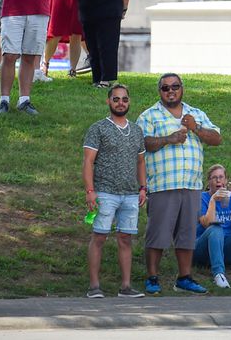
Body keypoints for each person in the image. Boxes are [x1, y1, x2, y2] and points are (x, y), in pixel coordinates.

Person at [137, 73, 222, 295]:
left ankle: (184, 278)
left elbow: (216, 138)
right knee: (158, 234)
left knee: (186, 235)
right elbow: (142, 143)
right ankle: (152, 277)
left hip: (191, 184)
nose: (171, 90)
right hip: (164, 184)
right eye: (166, 88)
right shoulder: (149, 116)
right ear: (160, 91)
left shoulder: (196, 113)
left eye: (175, 86)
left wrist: (196, 128)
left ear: (182, 88)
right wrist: (169, 139)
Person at [82, 82, 147, 299]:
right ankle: (94, 287)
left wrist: (143, 188)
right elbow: (88, 161)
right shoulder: (98, 128)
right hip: (105, 192)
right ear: (108, 101)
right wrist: (90, 191)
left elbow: (140, 162)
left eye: (125, 99)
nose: (121, 103)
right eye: (116, 99)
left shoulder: (137, 130)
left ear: (129, 102)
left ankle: (126, 287)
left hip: (130, 194)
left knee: (126, 239)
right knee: (99, 237)